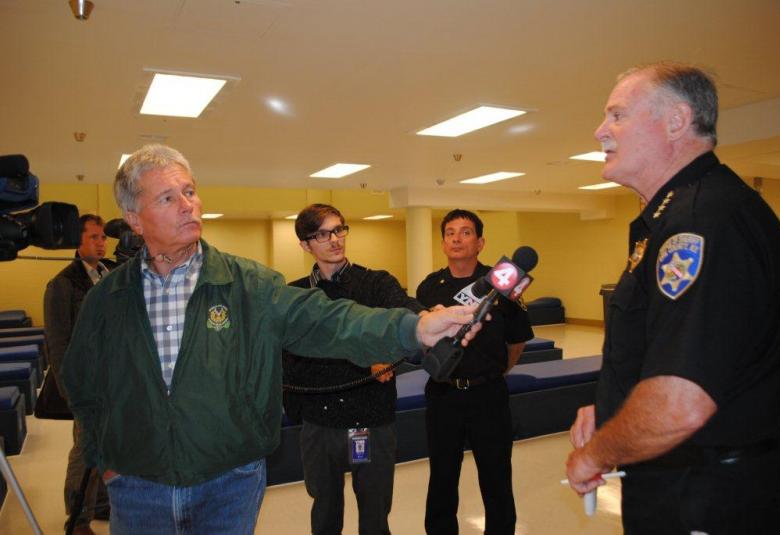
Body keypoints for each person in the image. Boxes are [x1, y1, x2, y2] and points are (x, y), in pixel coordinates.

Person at [60, 144, 482, 535]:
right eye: (168, 198)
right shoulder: (107, 299)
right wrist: (107, 460)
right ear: (134, 217)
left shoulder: (249, 285)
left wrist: (414, 328)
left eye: (189, 191)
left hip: (228, 483)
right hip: (139, 487)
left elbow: (328, 321)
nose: (188, 204)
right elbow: (83, 384)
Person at [566, 62, 780, 533]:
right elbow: (674, 351)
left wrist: (596, 453)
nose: (599, 131)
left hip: (710, 495)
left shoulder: (701, 221)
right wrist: (613, 411)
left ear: (676, 121)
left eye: (617, 115)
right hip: (694, 483)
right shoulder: (682, 215)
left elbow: (681, 402)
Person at [283, 203, 425, 534]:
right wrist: (363, 358)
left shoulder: (376, 284)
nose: (335, 240)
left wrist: (429, 319)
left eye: (339, 229)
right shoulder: (295, 295)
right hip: (319, 425)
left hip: (369, 424)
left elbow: (406, 313)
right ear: (305, 245)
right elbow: (292, 363)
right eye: (322, 234)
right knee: (325, 513)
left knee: (375, 514)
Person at [416, 209, 533, 535]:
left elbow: (517, 340)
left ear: (480, 242)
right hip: (443, 395)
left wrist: (496, 371)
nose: (457, 238)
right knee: (442, 476)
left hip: (488, 395)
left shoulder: (503, 284)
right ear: (442, 243)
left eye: (465, 232)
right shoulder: (430, 288)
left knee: (496, 476)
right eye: (450, 232)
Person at [44, 213, 116, 535]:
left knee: (108, 445)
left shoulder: (110, 273)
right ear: (78, 241)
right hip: (84, 383)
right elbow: (57, 343)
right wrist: (69, 391)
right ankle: (77, 520)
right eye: (93, 238)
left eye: (103, 237)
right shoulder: (62, 283)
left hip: (115, 380)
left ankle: (101, 505)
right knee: (85, 450)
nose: (101, 243)